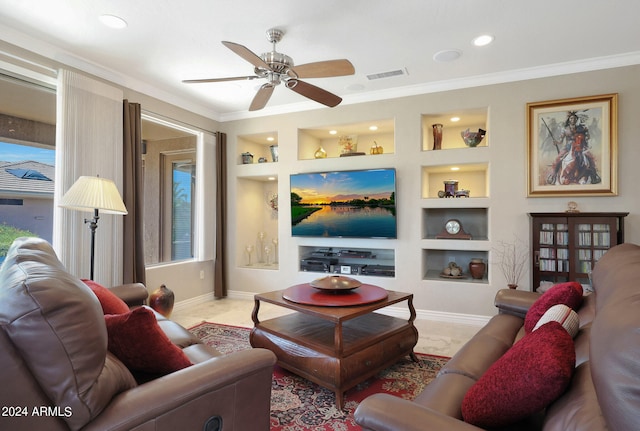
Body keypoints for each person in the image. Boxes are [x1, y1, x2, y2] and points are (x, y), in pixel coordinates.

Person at [546, 111, 600, 185]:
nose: (573, 120)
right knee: (558, 158)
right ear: (569, 119)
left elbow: (587, 136)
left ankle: (594, 176)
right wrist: (557, 142)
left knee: (590, 157)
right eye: (571, 118)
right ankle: (553, 176)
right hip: (568, 147)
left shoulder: (581, 128)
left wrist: (586, 136)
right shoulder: (565, 129)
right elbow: (561, 140)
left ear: (576, 119)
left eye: (574, 118)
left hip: (580, 146)